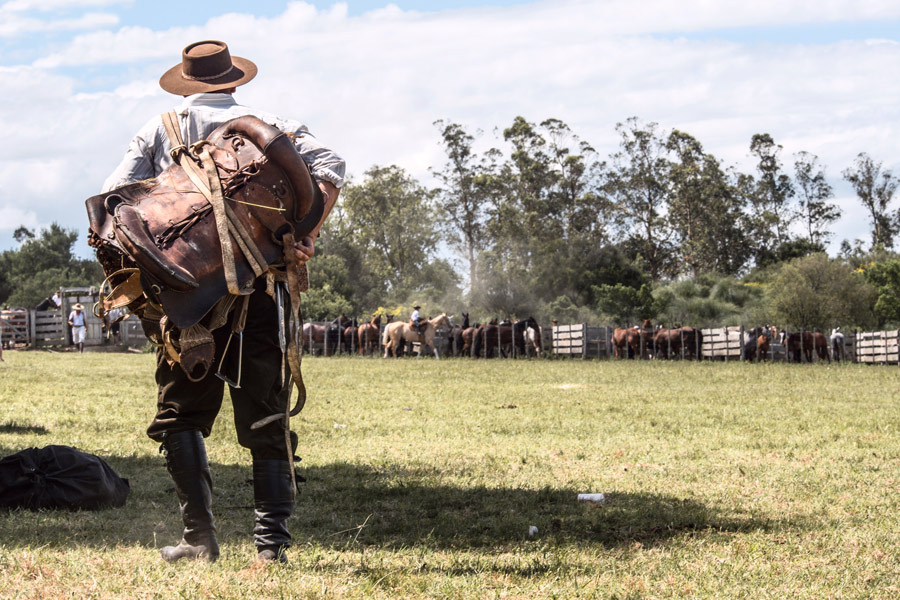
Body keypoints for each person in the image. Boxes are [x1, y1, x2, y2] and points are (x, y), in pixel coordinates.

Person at [102, 40, 345, 564]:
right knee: (266, 410)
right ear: (235, 79)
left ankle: (199, 538)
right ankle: (270, 547)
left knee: (181, 415)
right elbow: (332, 163)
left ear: (188, 84)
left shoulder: (161, 127)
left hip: (188, 298)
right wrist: (306, 233)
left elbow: (114, 194)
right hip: (261, 288)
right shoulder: (271, 122)